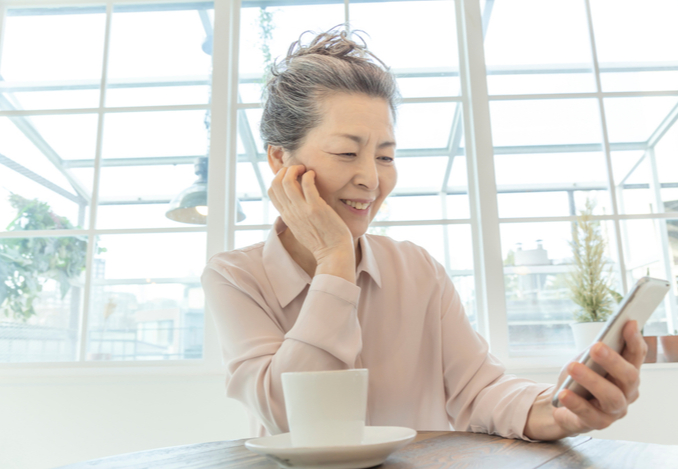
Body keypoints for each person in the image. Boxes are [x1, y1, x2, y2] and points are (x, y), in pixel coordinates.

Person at [200, 28, 647, 441]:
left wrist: (561, 411)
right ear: (280, 160)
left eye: (385, 157)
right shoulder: (235, 277)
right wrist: (335, 260)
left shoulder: (417, 270)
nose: (371, 180)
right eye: (346, 152)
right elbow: (288, 414)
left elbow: (480, 389)